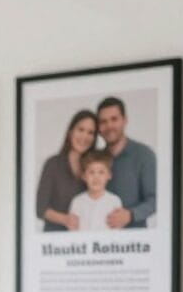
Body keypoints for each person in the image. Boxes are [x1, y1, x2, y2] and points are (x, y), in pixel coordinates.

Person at [96, 96, 157, 229]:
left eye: (114, 119)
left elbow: (156, 199)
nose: (109, 126)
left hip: (135, 242)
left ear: (125, 120)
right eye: (103, 122)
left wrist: (131, 215)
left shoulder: (144, 155)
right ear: (99, 127)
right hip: (100, 241)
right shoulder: (96, 159)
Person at [35, 109, 97, 232]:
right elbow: (40, 209)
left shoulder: (95, 168)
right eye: (81, 129)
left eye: (91, 132)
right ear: (70, 132)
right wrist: (65, 219)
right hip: (55, 241)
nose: (85, 136)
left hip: (86, 240)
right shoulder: (53, 164)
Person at [69, 150, 122, 232]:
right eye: (91, 172)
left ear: (109, 175)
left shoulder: (114, 201)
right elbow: (72, 231)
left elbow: (117, 231)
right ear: (84, 176)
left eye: (101, 172)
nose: (96, 177)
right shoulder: (77, 202)